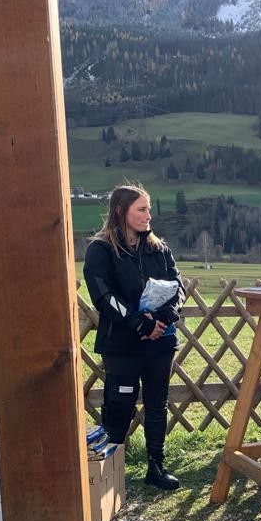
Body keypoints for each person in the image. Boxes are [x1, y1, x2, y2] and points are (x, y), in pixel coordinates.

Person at [83, 184, 185, 491]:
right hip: (122, 343)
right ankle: (108, 470)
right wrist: (138, 323)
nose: (148, 215)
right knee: (120, 403)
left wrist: (165, 318)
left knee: (157, 403)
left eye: (149, 208)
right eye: (141, 209)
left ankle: (156, 466)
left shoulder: (160, 250)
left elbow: (178, 287)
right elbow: (103, 296)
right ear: (120, 211)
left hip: (160, 341)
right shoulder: (100, 250)